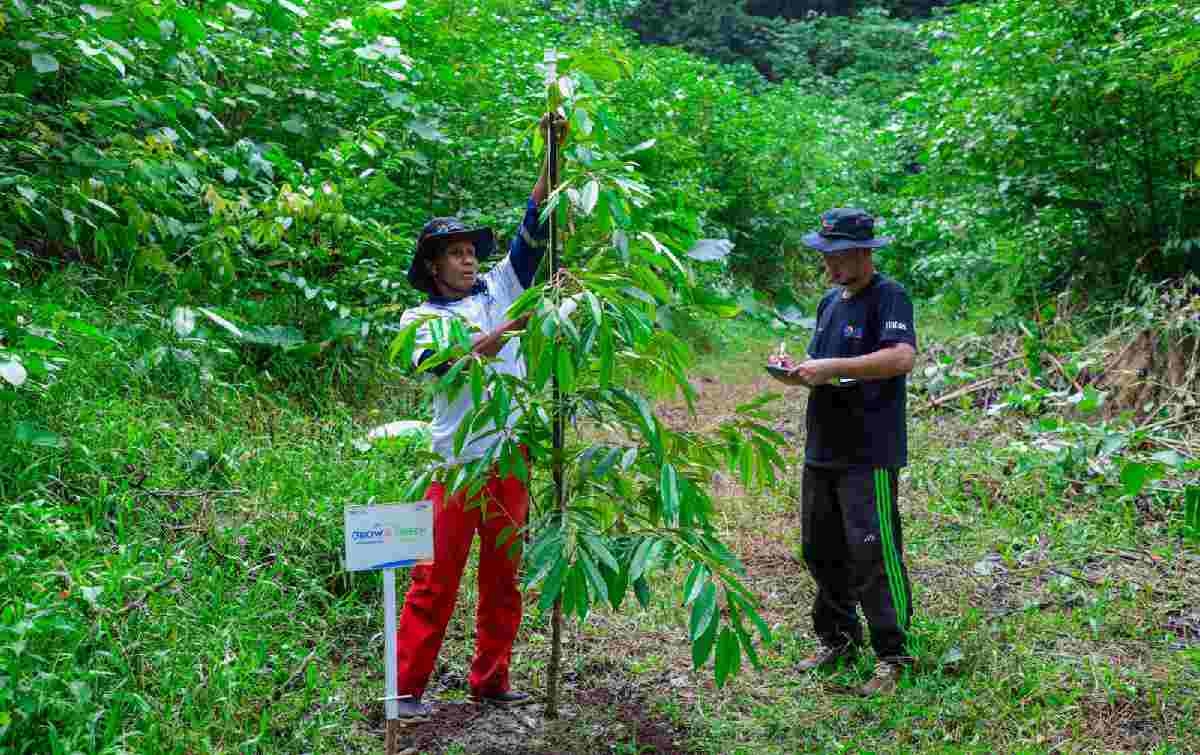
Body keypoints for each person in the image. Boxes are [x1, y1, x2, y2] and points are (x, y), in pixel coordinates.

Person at [392, 114, 567, 720]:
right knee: (433, 580)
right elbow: (442, 365)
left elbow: (535, 224)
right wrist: (501, 334)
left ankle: (491, 679)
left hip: (510, 457)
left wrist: (553, 149)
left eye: (471, 252)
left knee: (503, 578)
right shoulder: (419, 322)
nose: (468, 261)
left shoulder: (499, 288)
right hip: (456, 465)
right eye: (455, 254)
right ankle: (406, 689)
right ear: (433, 266)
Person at [771, 207, 918, 697]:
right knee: (821, 548)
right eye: (824, 256)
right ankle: (837, 639)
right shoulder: (828, 303)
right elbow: (825, 370)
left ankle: (894, 653)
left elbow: (900, 357)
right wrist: (794, 371)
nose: (829, 267)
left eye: (837, 256)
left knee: (874, 552)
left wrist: (830, 365)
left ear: (864, 253)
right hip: (823, 446)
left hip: (868, 449)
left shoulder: (889, 296)